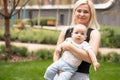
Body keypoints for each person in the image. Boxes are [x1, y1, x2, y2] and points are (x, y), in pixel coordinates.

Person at [53, 0, 101, 80]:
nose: (81, 14)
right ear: (74, 12)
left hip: (80, 76)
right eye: (79, 11)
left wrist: (69, 47)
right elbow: (56, 53)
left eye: (85, 12)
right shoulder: (65, 30)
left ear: (91, 14)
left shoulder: (94, 33)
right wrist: (58, 69)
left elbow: (89, 59)